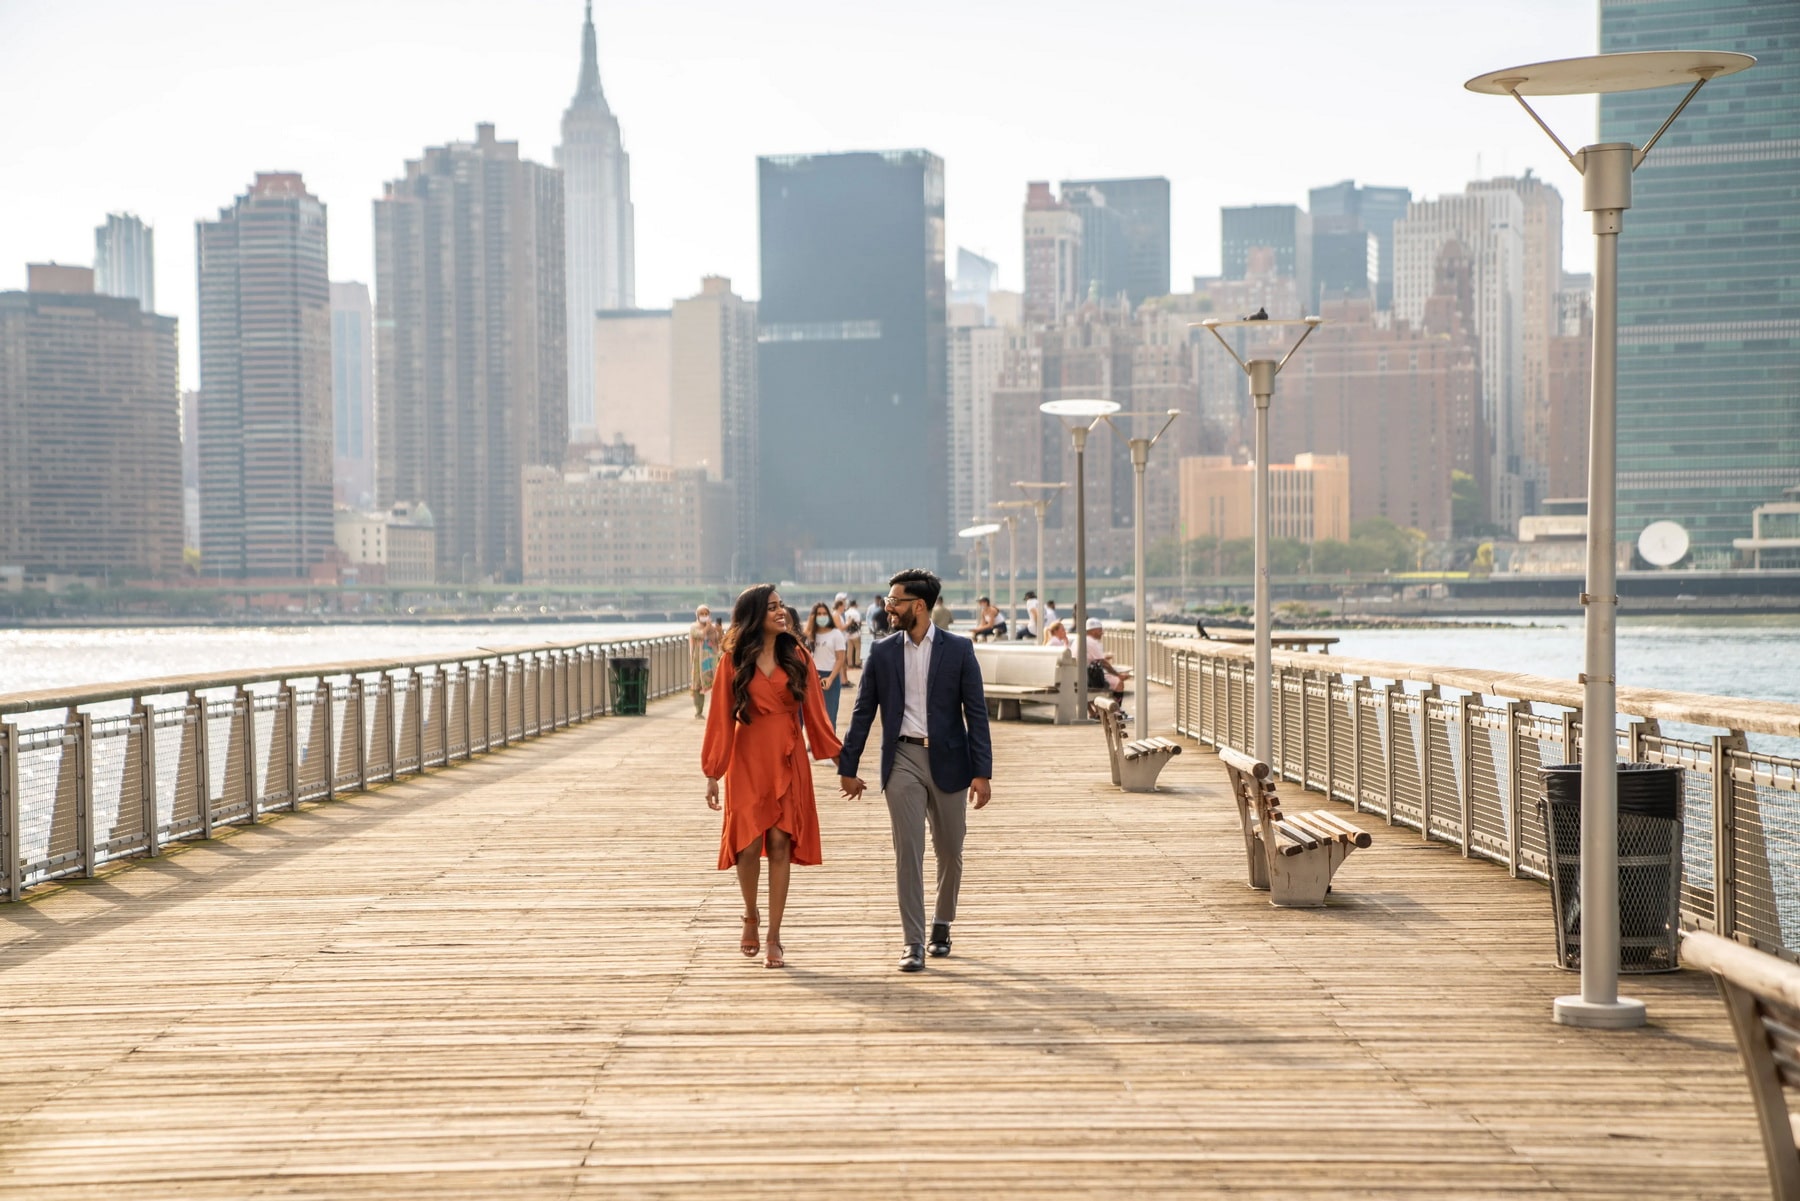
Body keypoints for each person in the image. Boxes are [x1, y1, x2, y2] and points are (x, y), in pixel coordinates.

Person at [838, 568, 993, 974]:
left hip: (951, 761)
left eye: (895, 601)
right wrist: (847, 766)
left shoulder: (959, 650)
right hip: (902, 759)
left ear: (918, 606)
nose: (888, 608)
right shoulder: (883, 652)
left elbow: (976, 714)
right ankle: (913, 943)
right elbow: (862, 713)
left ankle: (941, 925)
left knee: (950, 851)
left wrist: (982, 771)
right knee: (909, 853)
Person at [702, 585, 844, 970]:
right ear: (753, 615)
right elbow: (718, 717)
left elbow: (816, 712)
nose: (781, 613)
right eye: (772, 608)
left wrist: (840, 760)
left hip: (787, 753)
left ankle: (775, 936)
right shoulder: (733, 660)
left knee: (781, 842)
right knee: (747, 844)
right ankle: (750, 914)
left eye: (781, 607)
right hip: (746, 756)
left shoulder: (797, 654)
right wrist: (713, 772)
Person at [804, 600, 849, 725]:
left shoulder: (836, 634)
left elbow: (840, 659)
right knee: (813, 717)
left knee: (829, 716)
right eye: (819, 614)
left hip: (831, 676)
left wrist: (830, 678)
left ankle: (829, 744)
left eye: (824, 613)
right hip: (813, 676)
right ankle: (813, 744)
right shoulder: (809, 635)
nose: (822, 616)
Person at [1083, 617, 1131, 714]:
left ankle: (1097, 712)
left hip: (1082, 677)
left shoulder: (1081, 640)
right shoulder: (1092, 642)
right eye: (1100, 630)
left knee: (1110, 677)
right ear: (1093, 631)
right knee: (1118, 682)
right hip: (1089, 680)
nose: (1102, 633)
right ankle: (1115, 711)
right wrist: (1118, 675)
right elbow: (1104, 663)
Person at [688, 604, 719, 718]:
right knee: (697, 685)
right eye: (702, 614)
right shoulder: (693, 627)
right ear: (697, 615)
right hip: (698, 660)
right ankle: (699, 711)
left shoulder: (712, 628)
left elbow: (718, 640)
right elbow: (699, 635)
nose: (704, 616)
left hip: (711, 659)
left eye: (706, 614)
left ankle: (716, 710)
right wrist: (707, 627)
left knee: (715, 684)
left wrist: (718, 630)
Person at [842, 596, 864, 667]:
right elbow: (859, 623)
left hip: (847, 633)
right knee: (858, 648)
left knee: (849, 649)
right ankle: (857, 663)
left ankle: (850, 663)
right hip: (856, 634)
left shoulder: (846, 613)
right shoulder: (856, 612)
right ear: (855, 604)